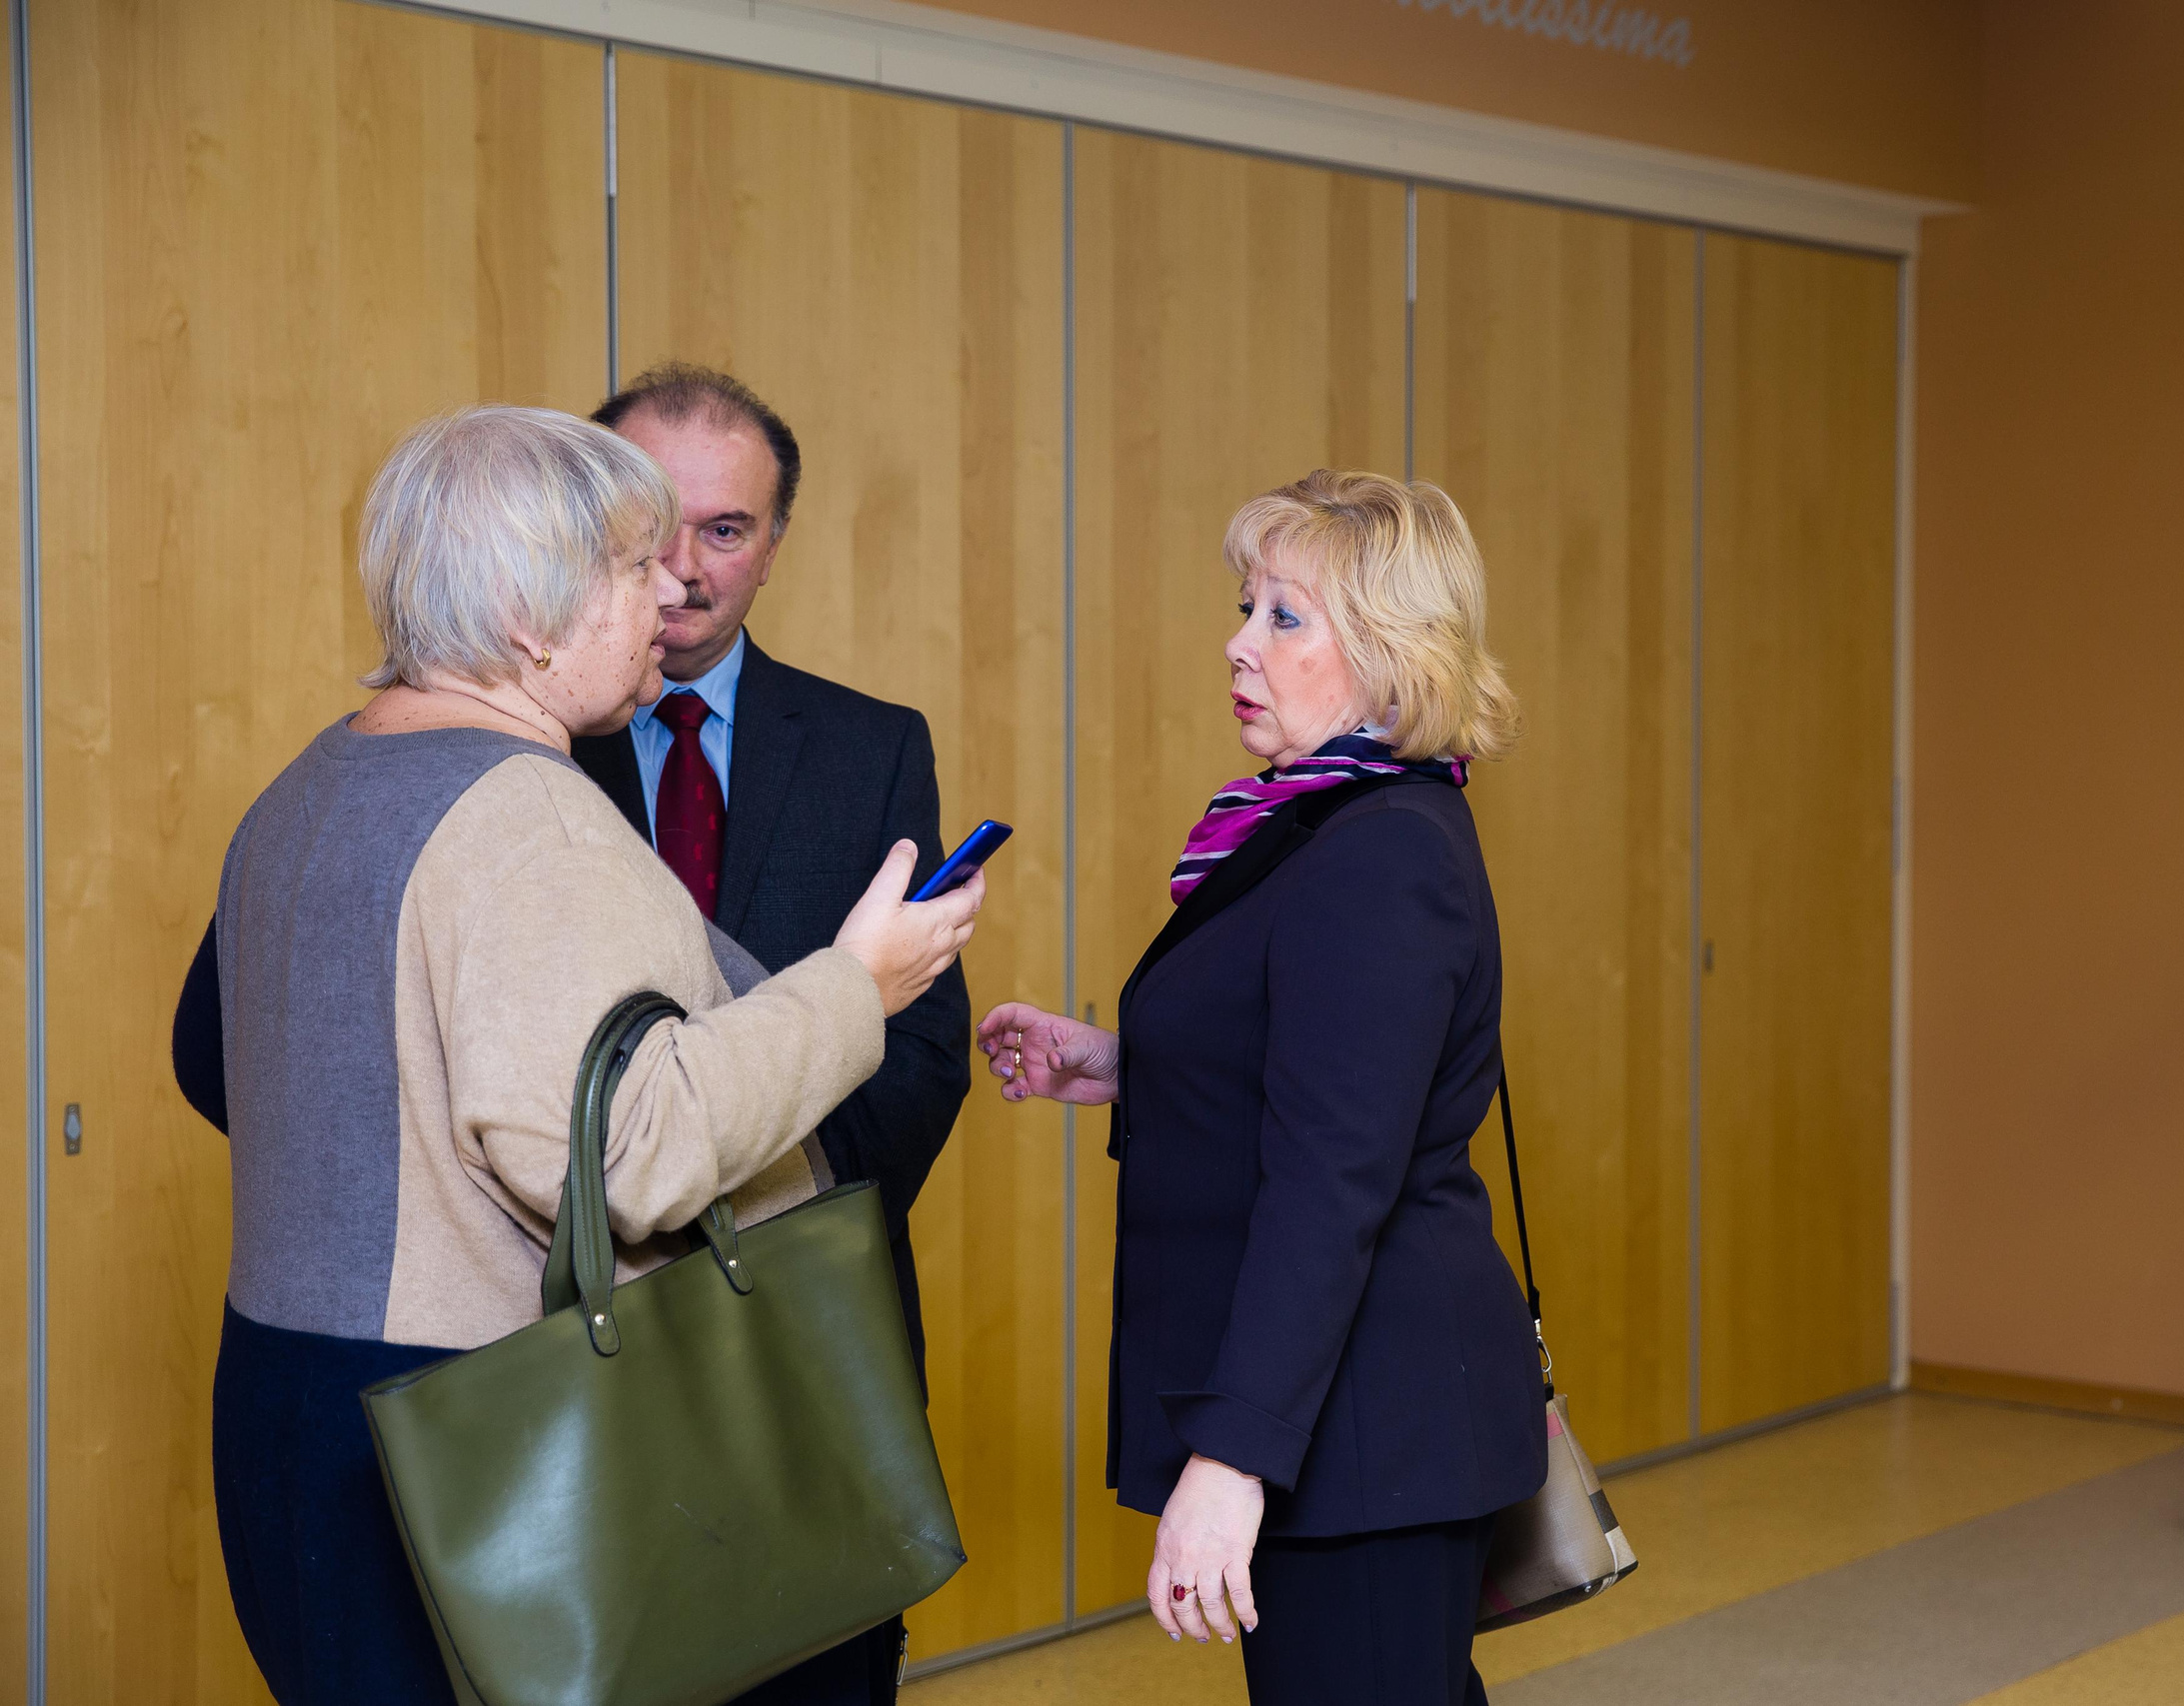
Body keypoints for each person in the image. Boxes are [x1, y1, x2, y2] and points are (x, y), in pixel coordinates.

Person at [178, 405, 981, 1706]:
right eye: (630, 566)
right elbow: (628, 1158)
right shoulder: (531, 815)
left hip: (287, 1407)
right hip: (476, 1430)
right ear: (526, 619)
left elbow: (212, 1058)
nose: (671, 588)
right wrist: (859, 983)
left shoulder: (306, 789)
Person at [977, 471, 1547, 1706]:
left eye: (1285, 616)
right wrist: (1126, 1066)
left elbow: (1332, 1179)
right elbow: (1324, 1074)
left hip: (1364, 1432)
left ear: (1392, 655)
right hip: (1356, 1422)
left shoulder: (1377, 852)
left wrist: (1231, 1460)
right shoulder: (1318, 826)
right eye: (1246, 606)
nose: (1239, 643)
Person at [570, 365, 971, 1700]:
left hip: (809, 1320)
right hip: (573, 1327)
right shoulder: (521, 747)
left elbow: (919, 1054)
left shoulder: (870, 748)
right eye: (651, 525)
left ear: (776, 541)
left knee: (825, 1663)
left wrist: (737, 1200)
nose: (684, 570)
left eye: (726, 531)